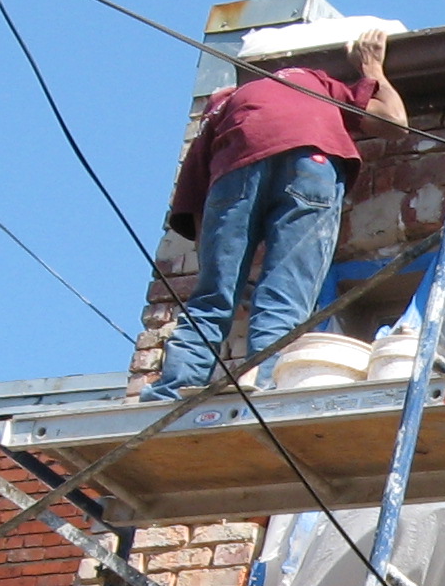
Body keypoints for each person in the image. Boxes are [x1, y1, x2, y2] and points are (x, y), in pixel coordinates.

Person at [149, 23, 406, 400]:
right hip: (312, 162)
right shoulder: (319, 83)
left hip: (233, 167)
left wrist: (225, 275)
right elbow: (395, 122)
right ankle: (268, 386)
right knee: (285, 299)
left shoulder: (224, 105)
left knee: (211, 301)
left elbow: (204, 222)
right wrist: (372, 69)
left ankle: (171, 391)